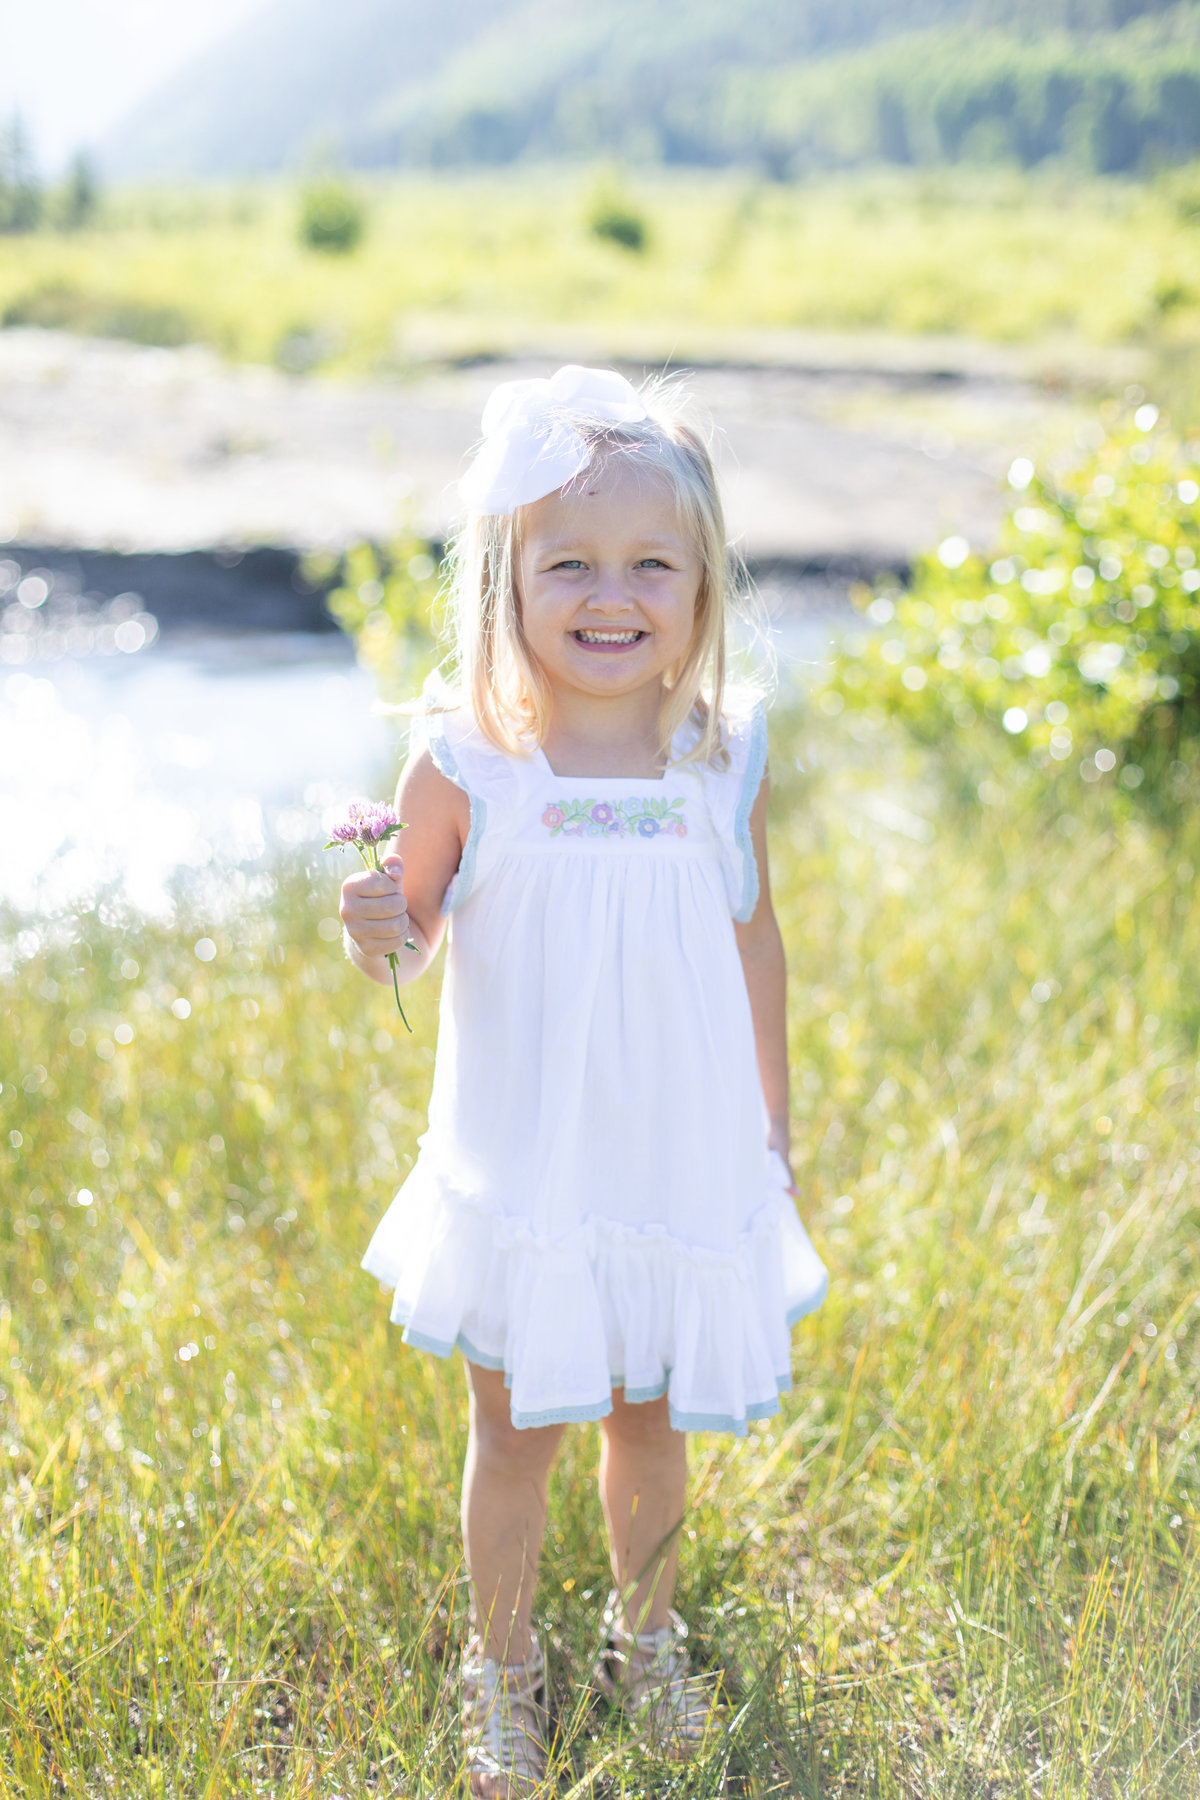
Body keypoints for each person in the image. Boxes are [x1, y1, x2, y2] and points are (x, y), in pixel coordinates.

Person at [339, 364, 827, 1797]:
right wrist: (376, 928)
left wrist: (772, 1128)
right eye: (571, 564)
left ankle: (646, 1634)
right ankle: (502, 1668)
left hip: (672, 1155)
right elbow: (410, 942)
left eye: (649, 566)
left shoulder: (714, 762)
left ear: (698, 590)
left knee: (650, 1423)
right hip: (523, 1162)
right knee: (514, 1427)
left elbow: (756, 940)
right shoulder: (470, 766)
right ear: (510, 579)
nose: (610, 595)